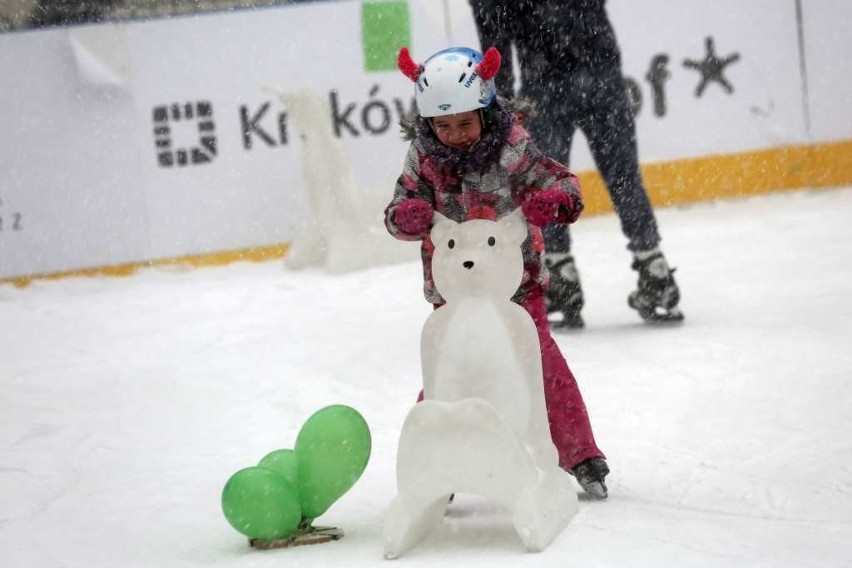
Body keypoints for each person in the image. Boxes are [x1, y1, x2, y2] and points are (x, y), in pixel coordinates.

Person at [384, 45, 609, 498]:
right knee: (448, 374)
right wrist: (406, 216)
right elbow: (396, 210)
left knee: (540, 364)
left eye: (465, 122)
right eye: (442, 126)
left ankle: (581, 454)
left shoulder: (511, 147)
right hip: (454, 293)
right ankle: (434, 465)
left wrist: (557, 200)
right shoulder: (422, 158)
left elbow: (561, 182)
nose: (455, 135)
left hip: (517, 286)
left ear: (485, 110)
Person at [469, 0, 684, 328]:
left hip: (546, 81)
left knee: (548, 183)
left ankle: (562, 275)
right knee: (623, 175)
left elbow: (494, 43)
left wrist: (506, 106)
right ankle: (652, 265)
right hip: (600, 70)